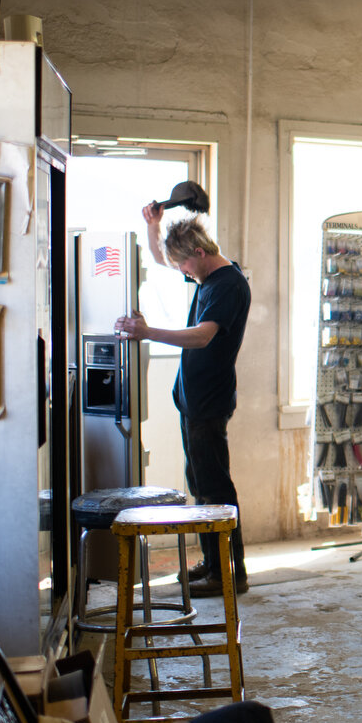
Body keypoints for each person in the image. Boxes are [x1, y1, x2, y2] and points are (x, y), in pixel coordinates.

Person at [115, 208, 252, 595]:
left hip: (209, 400)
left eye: (184, 263)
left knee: (216, 488)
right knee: (201, 485)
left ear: (199, 250)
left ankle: (230, 574)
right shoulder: (208, 276)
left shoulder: (227, 284)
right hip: (195, 400)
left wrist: (147, 332)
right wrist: (153, 225)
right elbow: (164, 258)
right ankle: (213, 564)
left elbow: (202, 336)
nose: (181, 271)